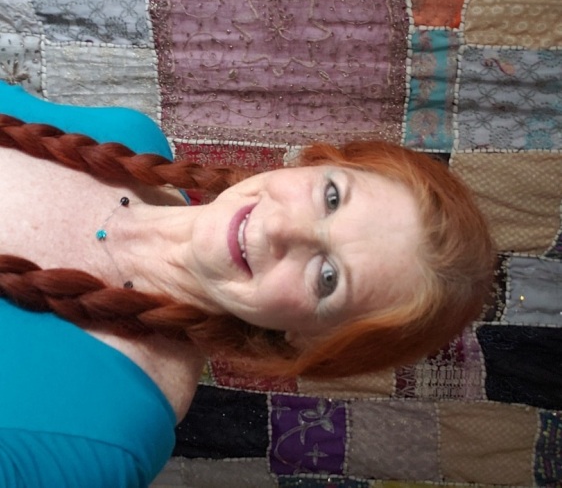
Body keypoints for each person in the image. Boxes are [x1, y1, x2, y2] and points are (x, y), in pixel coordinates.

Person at [0, 81, 494, 487]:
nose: (280, 228)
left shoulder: (107, 435)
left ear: (309, 341)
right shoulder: (127, 134)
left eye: (328, 278)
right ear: (320, 162)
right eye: (331, 197)